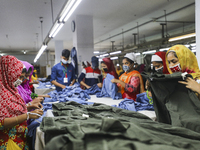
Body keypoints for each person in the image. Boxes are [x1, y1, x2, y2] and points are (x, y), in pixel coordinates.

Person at [0, 55, 43, 150]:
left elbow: (12, 111)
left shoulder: (11, 90)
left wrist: (28, 107)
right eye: (17, 76)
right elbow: (1, 123)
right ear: (8, 73)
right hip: (8, 143)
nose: (20, 80)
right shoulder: (1, 93)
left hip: (19, 139)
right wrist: (27, 115)